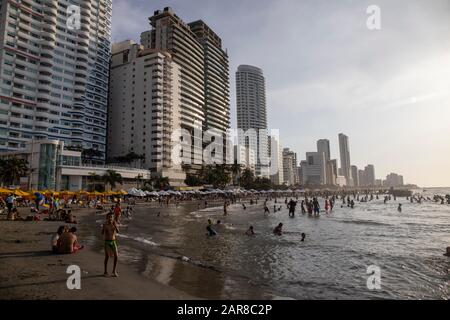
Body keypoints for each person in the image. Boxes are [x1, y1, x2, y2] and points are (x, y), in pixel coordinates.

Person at [102, 213, 119, 277]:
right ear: (107, 218)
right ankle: (105, 271)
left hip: (113, 241)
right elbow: (102, 233)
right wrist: (104, 228)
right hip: (107, 242)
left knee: (116, 256)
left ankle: (114, 271)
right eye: (109, 217)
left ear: (113, 218)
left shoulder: (114, 224)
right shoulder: (105, 225)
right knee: (107, 257)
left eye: (111, 217)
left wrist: (116, 226)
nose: (110, 218)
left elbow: (118, 232)